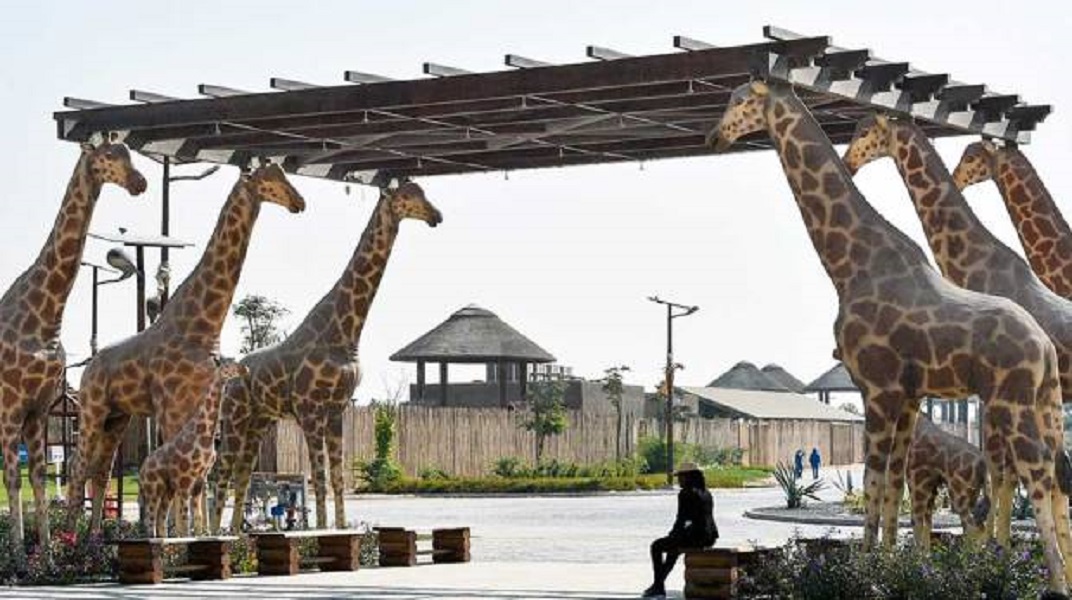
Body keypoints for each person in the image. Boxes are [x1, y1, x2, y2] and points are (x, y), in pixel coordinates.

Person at [643, 462, 719, 598]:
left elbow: (682, 519)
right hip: (709, 537)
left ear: (689, 477)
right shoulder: (706, 492)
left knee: (656, 546)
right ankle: (657, 585)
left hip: (696, 537)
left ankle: (658, 586)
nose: (679, 480)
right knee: (672, 551)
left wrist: (673, 535)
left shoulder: (686, 493)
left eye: (681, 477)